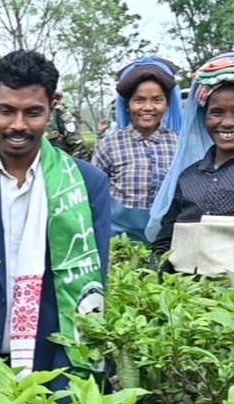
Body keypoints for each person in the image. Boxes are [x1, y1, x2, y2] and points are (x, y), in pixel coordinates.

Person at [0, 51, 111, 390]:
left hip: (54, 362)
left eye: (33, 112)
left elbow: (93, 281)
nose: (18, 125)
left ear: (51, 110)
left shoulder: (86, 184)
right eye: (6, 111)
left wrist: (68, 381)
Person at [148, 52, 234, 257]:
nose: (228, 122)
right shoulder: (188, 177)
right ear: (203, 118)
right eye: (217, 112)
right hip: (187, 277)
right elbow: (164, 242)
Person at [92, 57, 183, 242]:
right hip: (119, 243)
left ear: (167, 104)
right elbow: (94, 194)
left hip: (167, 241)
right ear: (127, 105)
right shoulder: (110, 145)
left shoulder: (178, 144)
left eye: (157, 100)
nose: (148, 107)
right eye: (139, 100)